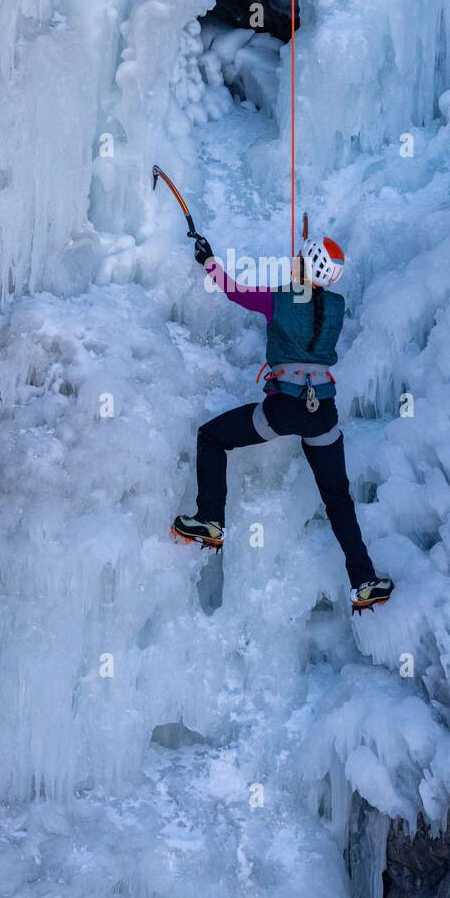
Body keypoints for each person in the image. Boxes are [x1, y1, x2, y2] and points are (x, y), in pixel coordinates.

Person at [171, 231, 395, 612]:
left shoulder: (280, 299)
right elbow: (313, 308)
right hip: (323, 413)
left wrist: (208, 261)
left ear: (305, 264)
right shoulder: (337, 307)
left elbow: (234, 291)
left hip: (284, 409)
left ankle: (211, 521)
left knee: (211, 438)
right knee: (338, 499)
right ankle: (364, 580)